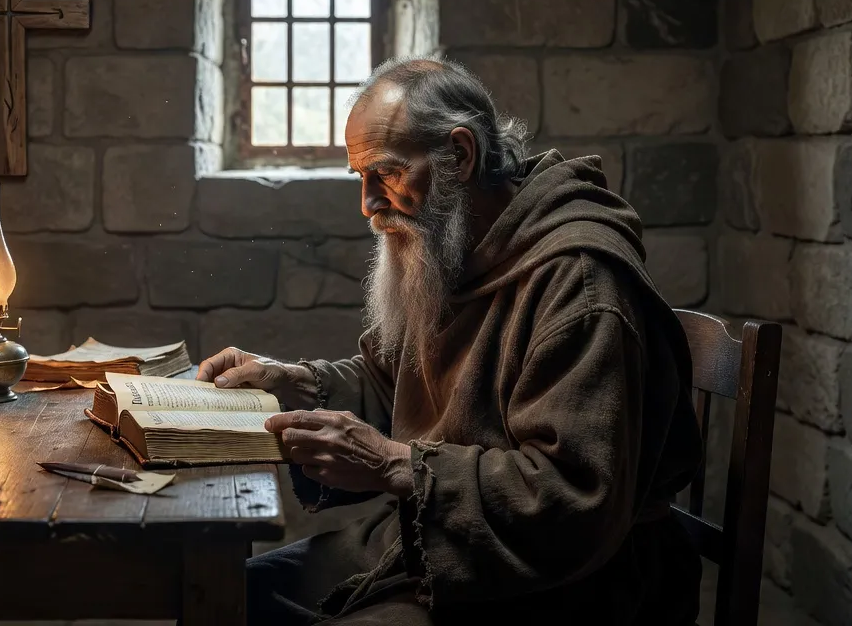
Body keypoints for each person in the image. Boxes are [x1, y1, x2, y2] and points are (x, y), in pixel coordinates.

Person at [197, 56, 705, 625]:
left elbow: (572, 497)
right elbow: (395, 385)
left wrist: (392, 462)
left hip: (564, 584)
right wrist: (295, 383)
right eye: (360, 177)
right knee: (223, 595)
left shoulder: (579, 281)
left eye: (386, 174)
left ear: (460, 155)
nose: (368, 204)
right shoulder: (459, 244)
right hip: (445, 539)